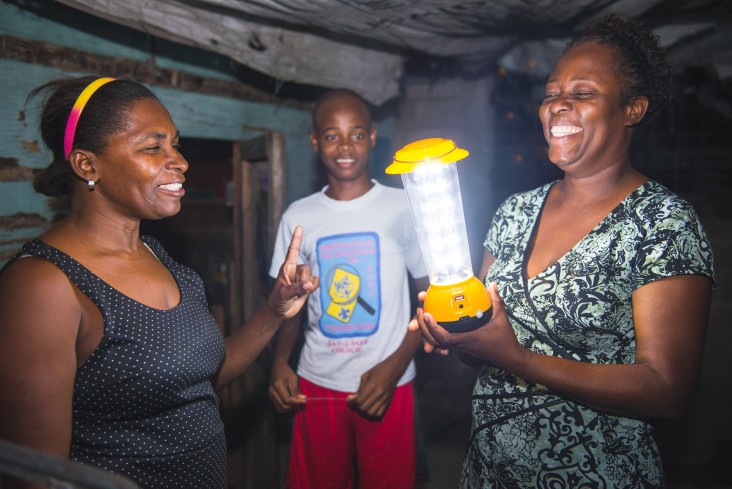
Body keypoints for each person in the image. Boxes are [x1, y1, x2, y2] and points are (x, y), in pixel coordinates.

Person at [410, 14, 715, 488]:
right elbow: (488, 340)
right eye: (552, 94)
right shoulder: (515, 211)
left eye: (583, 93)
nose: (559, 106)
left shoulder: (663, 222)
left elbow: (666, 389)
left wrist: (517, 358)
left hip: (597, 473)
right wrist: (458, 334)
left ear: (632, 108)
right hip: (490, 469)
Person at [0, 75, 319, 489]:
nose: (180, 161)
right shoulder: (44, 285)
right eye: (153, 147)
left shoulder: (159, 256)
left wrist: (274, 311)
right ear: (87, 165)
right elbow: (34, 477)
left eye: (175, 143)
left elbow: (200, 382)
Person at [267, 88, 429, 489]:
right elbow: (290, 306)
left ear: (373, 137)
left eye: (356, 134)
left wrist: (394, 368)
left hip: (389, 381)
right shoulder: (299, 216)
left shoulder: (403, 207)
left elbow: (435, 300)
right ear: (315, 142)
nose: (345, 146)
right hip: (318, 379)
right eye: (332, 135)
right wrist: (280, 362)